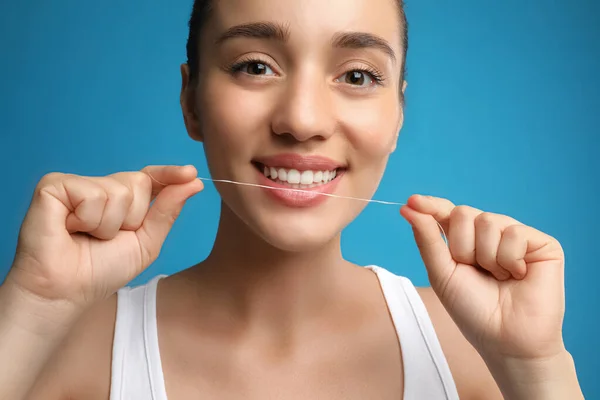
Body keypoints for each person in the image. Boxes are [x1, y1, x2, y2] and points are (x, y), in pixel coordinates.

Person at [0, 0, 585, 399]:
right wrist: (31, 310)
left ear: (398, 115)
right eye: (256, 66)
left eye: (357, 76)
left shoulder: (479, 356)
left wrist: (537, 369)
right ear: (192, 101)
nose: (302, 120)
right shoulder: (69, 350)